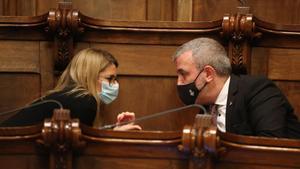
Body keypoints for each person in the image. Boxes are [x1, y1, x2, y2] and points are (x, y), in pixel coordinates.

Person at [173, 37, 300, 138]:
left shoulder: (258, 90)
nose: (178, 83)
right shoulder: (205, 105)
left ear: (208, 74)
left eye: (183, 74)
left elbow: (269, 145)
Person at [0, 48, 141, 130]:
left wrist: (113, 132)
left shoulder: (72, 97)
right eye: (109, 79)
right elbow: (83, 155)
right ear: (89, 76)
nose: (115, 84)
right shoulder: (84, 101)